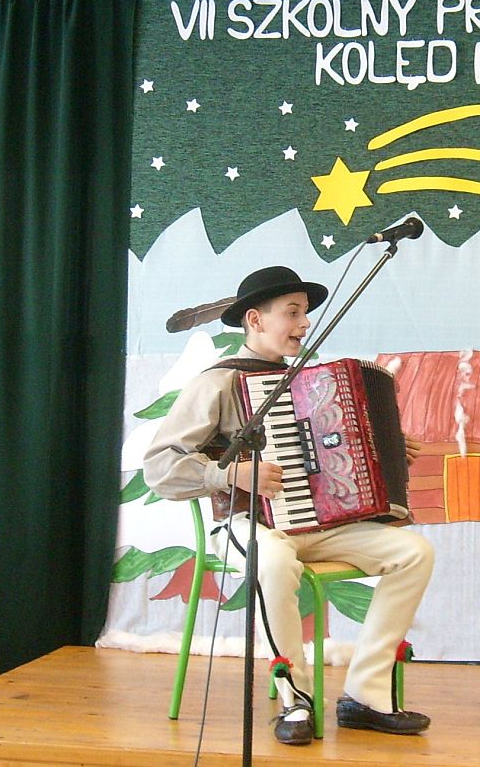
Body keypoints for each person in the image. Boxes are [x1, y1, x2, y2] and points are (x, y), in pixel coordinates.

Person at [144, 265, 434, 745]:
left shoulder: (313, 384)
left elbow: (332, 455)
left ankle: (365, 693)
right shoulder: (217, 383)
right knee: (274, 559)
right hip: (246, 524)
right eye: (293, 312)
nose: (304, 323)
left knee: (414, 553)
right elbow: (159, 467)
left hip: (317, 525)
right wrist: (228, 474)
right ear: (255, 320)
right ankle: (295, 698)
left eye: (305, 313)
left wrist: (381, 449)